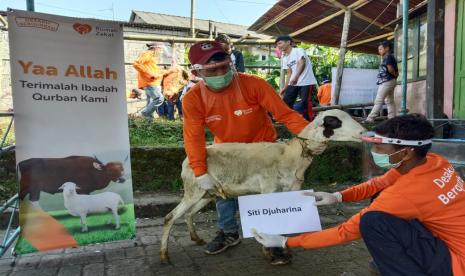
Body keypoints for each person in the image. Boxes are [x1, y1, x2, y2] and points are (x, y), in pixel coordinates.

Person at [252, 114, 465, 275]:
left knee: (372, 222)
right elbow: (379, 183)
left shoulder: (406, 194)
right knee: (380, 204)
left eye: (381, 148)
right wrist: (338, 196)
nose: (375, 152)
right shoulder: (435, 161)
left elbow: (346, 231)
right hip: (450, 240)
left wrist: (286, 242)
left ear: (406, 152)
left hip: (457, 263)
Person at [182, 41, 309, 265]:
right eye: (213, 70)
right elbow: (193, 136)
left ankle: (274, 241)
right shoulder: (193, 98)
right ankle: (229, 232)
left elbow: (285, 115)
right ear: (196, 72)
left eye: (225, 66)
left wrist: (310, 138)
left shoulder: (254, 84)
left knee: (269, 196)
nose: (221, 73)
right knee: (223, 193)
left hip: (263, 150)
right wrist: (200, 171)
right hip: (227, 151)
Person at [276, 35, 317, 121]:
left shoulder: (298, 50)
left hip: (306, 82)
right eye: (277, 44)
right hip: (293, 82)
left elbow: (302, 62)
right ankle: (288, 121)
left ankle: (308, 121)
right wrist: (285, 87)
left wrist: (296, 77)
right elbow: (289, 72)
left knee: (305, 103)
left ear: (288, 42)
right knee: (286, 102)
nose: (278, 46)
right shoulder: (285, 58)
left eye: (280, 43)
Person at [364, 41, 398, 123]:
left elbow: (390, 68)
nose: (379, 51)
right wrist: (395, 75)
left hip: (387, 81)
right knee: (389, 101)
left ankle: (370, 118)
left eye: (381, 49)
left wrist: (394, 74)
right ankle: (392, 118)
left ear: (387, 48)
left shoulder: (388, 56)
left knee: (379, 100)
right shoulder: (389, 56)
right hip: (391, 81)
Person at [133, 43, 165, 120]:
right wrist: (150, 74)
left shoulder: (151, 56)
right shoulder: (148, 54)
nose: (161, 51)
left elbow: (152, 69)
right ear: (155, 48)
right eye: (160, 49)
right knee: (159, 98)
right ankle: (145, 113)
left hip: (152, 82)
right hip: (150, 82)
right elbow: (136, 64)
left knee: (150, 102)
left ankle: (148, 123)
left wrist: (162, 72)